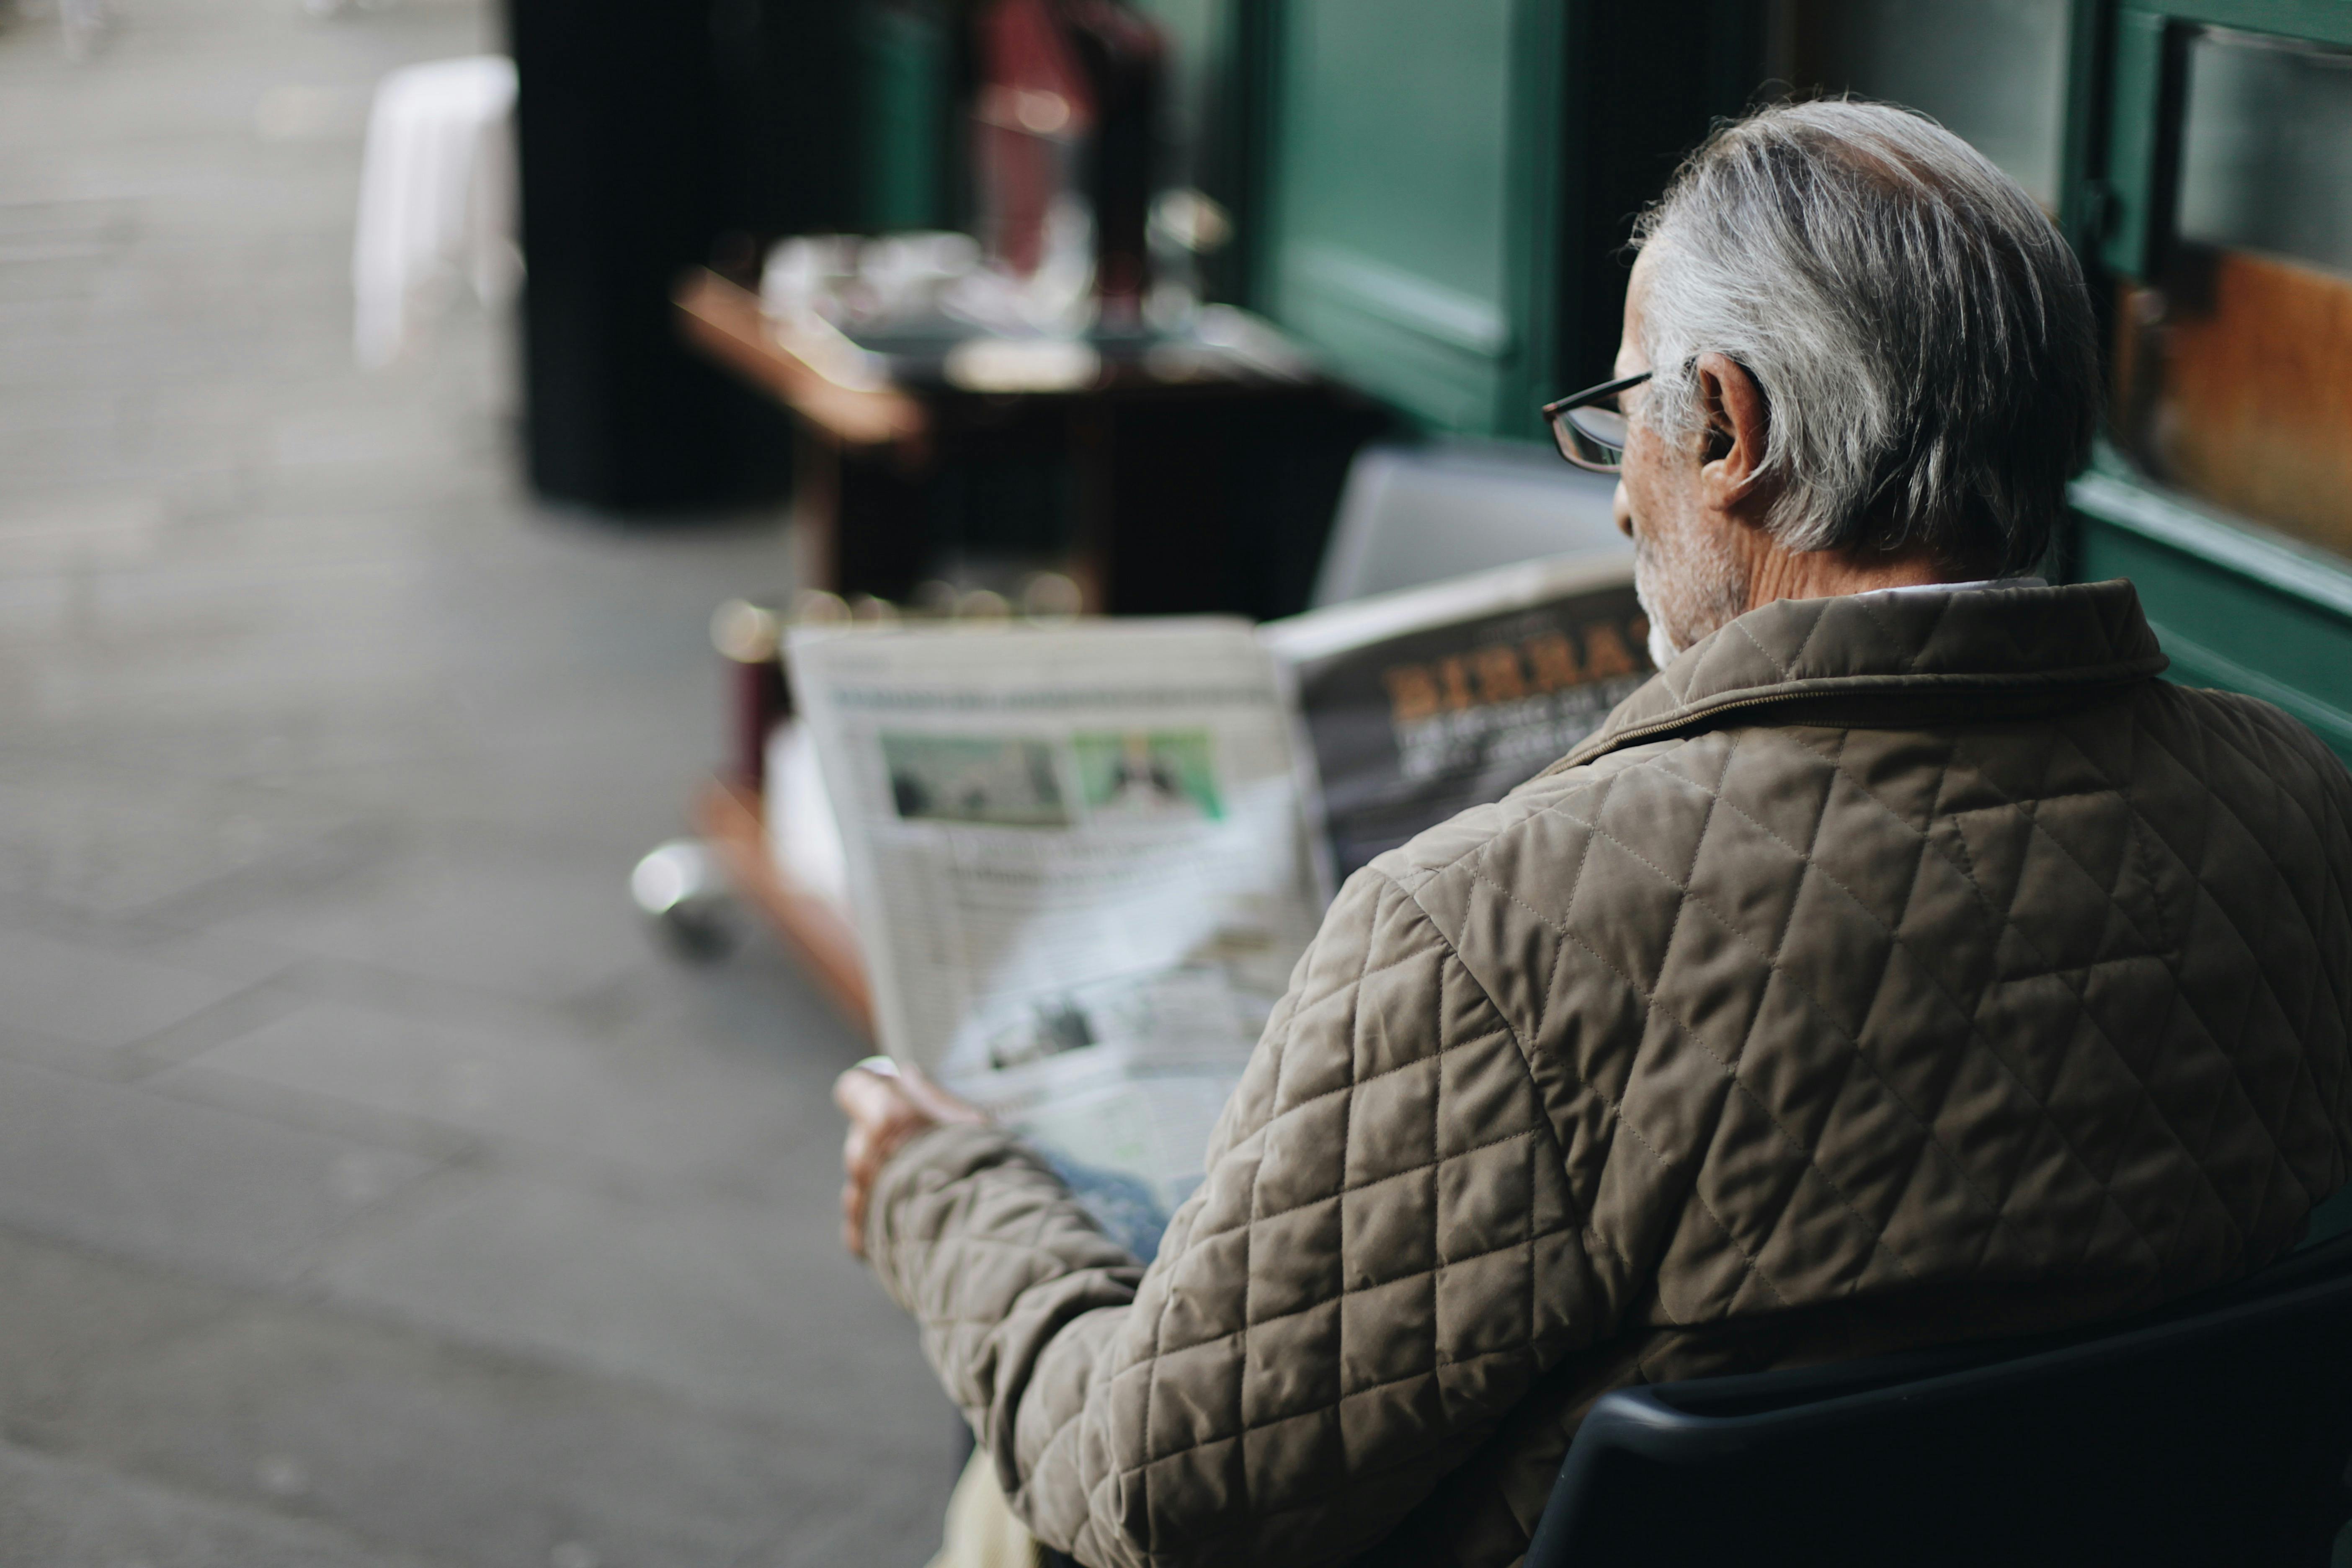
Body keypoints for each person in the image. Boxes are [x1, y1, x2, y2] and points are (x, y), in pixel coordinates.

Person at [832, 100, 2352, 1568]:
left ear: (1729, 425)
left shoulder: (1493, 932)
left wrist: (939, 1191)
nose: (1621, 502)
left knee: (1023, 1481)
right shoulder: (2297, 804)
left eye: (1626, 409)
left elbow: (1158, 1502)